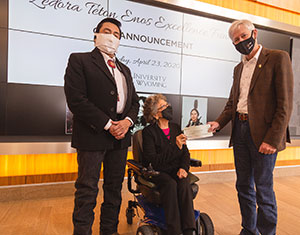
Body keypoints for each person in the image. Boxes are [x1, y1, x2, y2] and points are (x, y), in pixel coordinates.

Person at [208, 19, 293, 235]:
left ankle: (267, 232)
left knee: (263, 189)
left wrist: (273, 139)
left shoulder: (277, 58)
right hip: (240, 132)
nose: (240, 42)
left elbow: (285, 104)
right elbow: (233, 104)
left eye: (243, 36)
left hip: (264, 135)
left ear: (254, 33)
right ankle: (249, 229)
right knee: (243, 186)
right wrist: (218, 122)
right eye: (235, 40)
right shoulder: (238, 68)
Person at [64, 18, 139, 235]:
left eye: (117, 34)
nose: (112, 37)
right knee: (87, 190)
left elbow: (134, 102)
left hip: (121, 137)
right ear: (96, 34)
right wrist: (108, 124)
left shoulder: (125, 69)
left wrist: (127, 122)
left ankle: (110, 231)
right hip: (92, 135)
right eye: (107, 31)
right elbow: (76, 99)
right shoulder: (80, 60)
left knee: (114, 189)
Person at [142, 94, 196, 235]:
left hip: (176, 169)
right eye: (164, 106)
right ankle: (174, 231)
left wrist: (184, 168)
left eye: (167, 105)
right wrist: (175, 147)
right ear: (155, 114)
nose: (168, 107)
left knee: (184, 183)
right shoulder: (149, 132)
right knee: (170, 184)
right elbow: (154, 161)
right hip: (159, 172)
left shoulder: (176, 128)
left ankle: (189, 230)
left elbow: (185, 153)